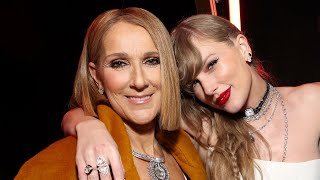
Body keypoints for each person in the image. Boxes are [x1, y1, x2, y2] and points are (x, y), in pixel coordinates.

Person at [62, 14, 320, 179]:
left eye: (211, 64)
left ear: (242, 46)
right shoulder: (200, 125)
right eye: (193, 83)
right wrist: (88, 127)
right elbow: (89, 109)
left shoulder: (313, 101)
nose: (208, 88)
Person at [15, 7, 207, 180]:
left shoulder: (189, 149)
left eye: (151, 61)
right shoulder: (52, 166)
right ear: (96, 76)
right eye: (119, 64)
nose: (139, 81)